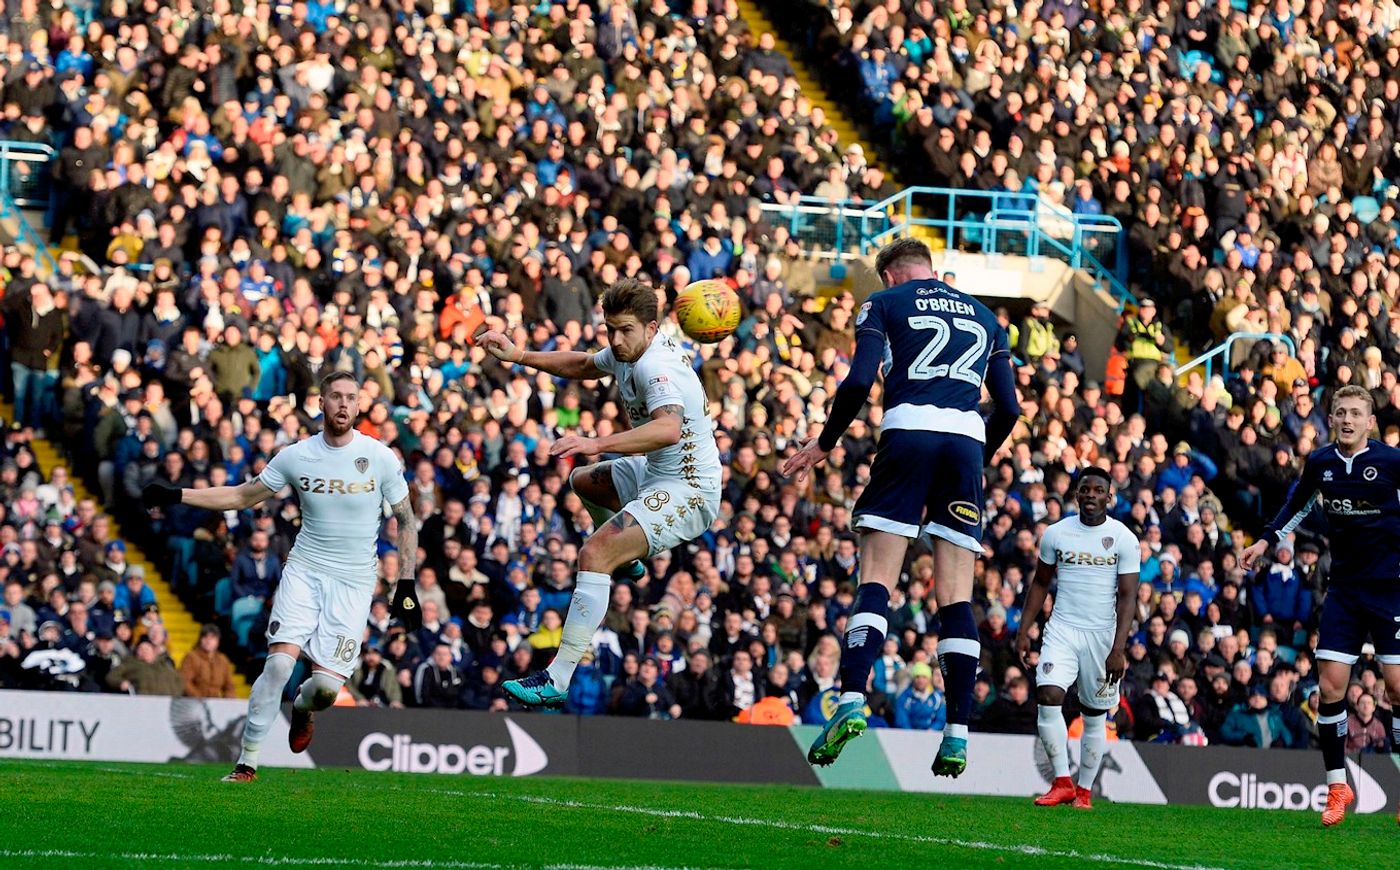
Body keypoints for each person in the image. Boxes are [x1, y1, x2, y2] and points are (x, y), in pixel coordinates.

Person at [783, 237, 1017, 776]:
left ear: (890, 275)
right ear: (930, 270)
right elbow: (1008, 406)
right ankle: (957, 732)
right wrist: (977, 452)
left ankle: (849, 701)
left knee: (878, 579)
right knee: (956, 595)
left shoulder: (884, 304)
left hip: (908, 433)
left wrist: (826, 441)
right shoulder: (986, 316)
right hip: (964, 444)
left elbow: (860, 380)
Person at [142, 370, 416, 783]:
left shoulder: (379, 457)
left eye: (350, 398)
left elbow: (406, 520)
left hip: (355, 583)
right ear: (320, 403)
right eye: (335, 397)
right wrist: (177, 494)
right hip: (305, 571)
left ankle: (303, 709)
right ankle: (246, 762)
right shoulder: (295, 456)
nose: (343, 404)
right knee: (277, 667)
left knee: (324, 690)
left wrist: (406, 582)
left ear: (359, 406)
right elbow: (240, 495)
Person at [477, 278, 721, 708]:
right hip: (654, 473)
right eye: (610, 328)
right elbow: (586, 365)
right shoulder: (632, 349)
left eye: (625, 330)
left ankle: (557, 677)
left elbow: (667, 428)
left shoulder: (654, 367)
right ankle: (625, 562)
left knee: (593, 554)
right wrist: (519, 355)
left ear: (651, 327)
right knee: (583, 481)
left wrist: (596, 442)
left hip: (690, 489)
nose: (615, 339)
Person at [1241, 385, 1400, 827]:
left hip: (1391, 589)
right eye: (1340, 412)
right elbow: (1297, 502)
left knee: (1398, 690)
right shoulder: (1322, 463)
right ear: (1330, 420)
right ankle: (1336, 785)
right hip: (1345, 590)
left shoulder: (1391, 462)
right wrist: (1264, 541)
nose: (1347, 419)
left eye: (1355, 413)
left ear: (1370, 421)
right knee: (1329, 687)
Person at [1016, 467, 1141, 809]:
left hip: (1102, 636)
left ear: (1108, 497)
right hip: (1062, 630)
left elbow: (1129, 596)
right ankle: (1061, 782)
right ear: (1076, 495)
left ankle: (1084, 791)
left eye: (1098, 490)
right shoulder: (1056, 534)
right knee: (1048, 693)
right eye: (1085, 489)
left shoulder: (1124, 538)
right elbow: (1040, 583)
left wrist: (1119, 649)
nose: (1090, 495)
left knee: (1093, 714)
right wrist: (1024, 628)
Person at [180, 623, 237, 698]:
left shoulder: (223, 660)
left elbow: (229, 686)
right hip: (193, 702)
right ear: (200, 640)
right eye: (205, 637)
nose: (208, 641)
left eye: (212, 638)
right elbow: (184, 681)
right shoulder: (191, 657)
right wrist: (199, 698)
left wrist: (228, 700)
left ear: (218, 641)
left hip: (215, 703)